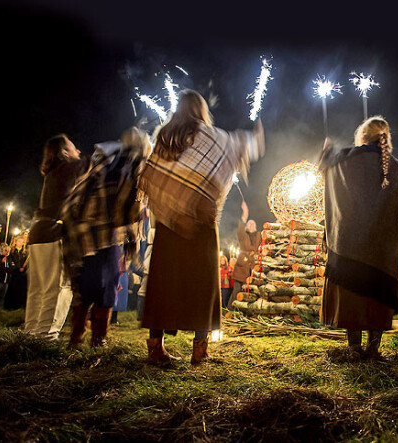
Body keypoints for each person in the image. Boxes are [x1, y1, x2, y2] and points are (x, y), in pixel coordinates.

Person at [138, 89, 264, 365]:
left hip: (169, 224)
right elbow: (243, 145)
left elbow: (152, 176)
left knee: (163, 284)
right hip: (201, 224)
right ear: (202, 110)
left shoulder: (165, 137)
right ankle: (200, 350)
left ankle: (155, 348)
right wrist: (253, 136)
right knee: (203, 285)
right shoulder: (214, 137)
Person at [319, 116, 398, 359]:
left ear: (362, 137)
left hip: (349, 245)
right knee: (377, 296)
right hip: (381, 248)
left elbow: (326, 167)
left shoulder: (345, 158)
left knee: (352, 296)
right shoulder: (393, 164)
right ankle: (373, 348)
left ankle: (354, 347)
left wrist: (326, 152)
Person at [62, 127, 150, 348]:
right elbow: (124, 205)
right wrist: (140, 211)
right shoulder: (128, 166)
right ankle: (96, 339)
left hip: (83, 233)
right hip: (101, 233)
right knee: (106, 286)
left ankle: (77, 338)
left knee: (88, 285)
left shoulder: (106, 160)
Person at [25, 134, 87, 340]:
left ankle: (31, 332)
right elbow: (90, 162)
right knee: (57, 286)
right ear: (63, 152)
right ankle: (46, 335)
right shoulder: (66, 167)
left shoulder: (53, 172)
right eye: (73, 147)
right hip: (53, 232)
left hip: (38, 232)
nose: (77, 151)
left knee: (38, 288)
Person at [228, 201, 262, 309]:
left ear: (256, 227)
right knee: (237, 290)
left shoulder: (259, 235)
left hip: (254, 268)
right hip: (242, 267)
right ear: (246, 226)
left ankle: (247, 312)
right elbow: (241, 227)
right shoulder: (243, 235)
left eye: (253, 224)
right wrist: (245, 214)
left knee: (252, 291)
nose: (251, 224)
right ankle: (230, 310)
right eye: (249, 223)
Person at [5, 235, 28, 310]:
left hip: (21, 275)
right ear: (15, 242)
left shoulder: (24, 252)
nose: (20, 243)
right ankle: (10, 306)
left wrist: (23, 268)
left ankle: (19, 305)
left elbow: (26, 262)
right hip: (14, 274)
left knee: (20, 290)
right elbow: (10, 261)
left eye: (22, 242)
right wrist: (17, 268)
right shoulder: (12, 251)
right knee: (12, 289)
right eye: (19, 241)